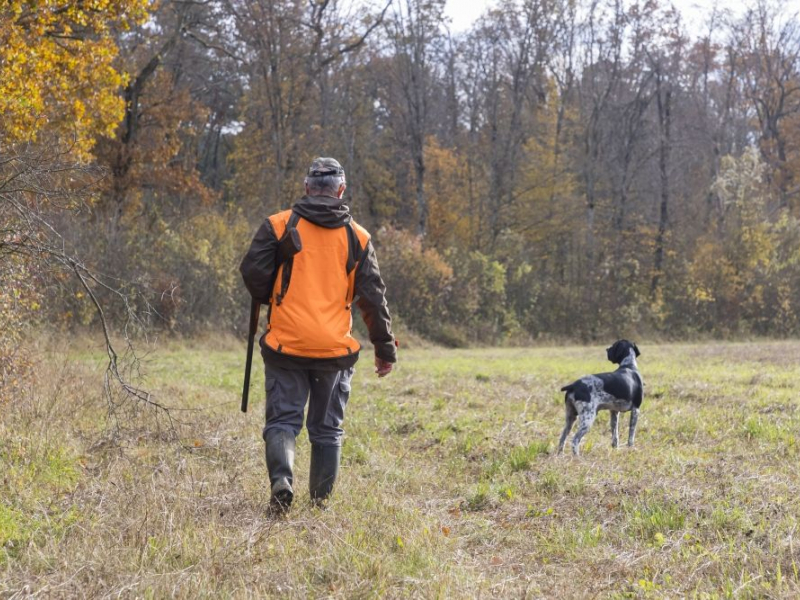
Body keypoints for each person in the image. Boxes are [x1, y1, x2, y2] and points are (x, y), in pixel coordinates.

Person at [239, 157, 397, 511]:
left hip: (286, 344)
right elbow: (373, 296)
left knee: (282, 420)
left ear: (307, 187)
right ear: (341, 190)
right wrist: (384, 348)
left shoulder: (277, 225)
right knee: (327, 429)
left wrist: (271, 293)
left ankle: (282, 480)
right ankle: (319, 505)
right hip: (333, 350)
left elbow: (253, 273)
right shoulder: (358, 236)